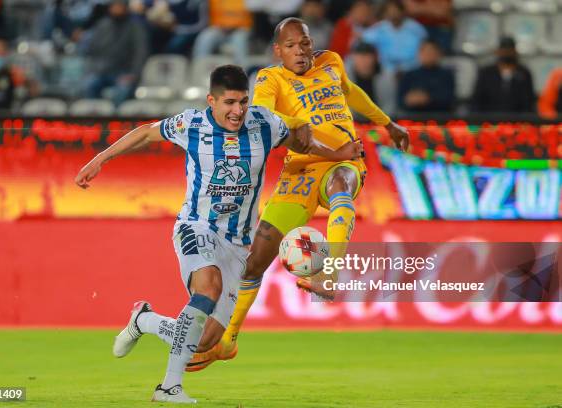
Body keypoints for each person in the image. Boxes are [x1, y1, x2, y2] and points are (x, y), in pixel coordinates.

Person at [74, 65, 362, 403]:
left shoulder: (264, 123)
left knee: (205, 341)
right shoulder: (191, 124)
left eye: (242, 102)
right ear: (211, 100)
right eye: (229, 103)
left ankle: (145, 320)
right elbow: (145, 133)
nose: (237, 111)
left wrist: (337, 154)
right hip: (196, 226)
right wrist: (101, 158)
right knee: (208, 286)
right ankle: (169, 387)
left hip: (240, 244)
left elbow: (301, 140)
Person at [187, 17, 409, 372]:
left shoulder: (332, 62)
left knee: (342, 190)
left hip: (345, 159)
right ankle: (227, 340)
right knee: (254, 262)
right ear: (279, 51)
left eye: (304, 43)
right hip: (300, 170)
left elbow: (350, 91)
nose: (301, 51)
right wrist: (295, 124)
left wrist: (386, 122)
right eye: (291, 46)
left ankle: (329, 273)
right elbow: (262, 114)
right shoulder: (272, 79)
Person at [81, 0, 148, 106]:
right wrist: (93, 70)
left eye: (119, 6)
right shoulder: (103, 25)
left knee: (122, 90)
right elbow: (92, 50)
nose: (116, 9)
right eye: (114, 6)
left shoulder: (135, 27)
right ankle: (93, 121)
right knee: (89, 86)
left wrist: (134, 74)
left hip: (124, 72)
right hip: (101, 71)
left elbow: (141, 53)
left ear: (126, 8)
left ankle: (116, 121)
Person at [471, 37, 535, 113]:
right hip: (489, 119)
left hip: (517, 120)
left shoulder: (524, 73)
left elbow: (528, 103)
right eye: (504, 49)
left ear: (515, 51)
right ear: (498, 51)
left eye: (509, 49)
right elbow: (477, 100)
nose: (507, 52)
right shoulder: (486, 72)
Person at [362, 0, 427, 73]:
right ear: (385, 13)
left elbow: (424, 48)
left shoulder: (415, 28)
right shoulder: (380, 28)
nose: (393, 14)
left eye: (395, 10)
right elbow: (364, 40)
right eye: (389, 11)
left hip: (412, 68)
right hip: (386, 70)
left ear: (402, 11)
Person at [398, 39, 454, 112]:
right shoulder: (409, 75)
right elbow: (400, 100)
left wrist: (428, 98)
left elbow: (449, 100)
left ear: (439, 54)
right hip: (412, 117)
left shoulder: (446, 75)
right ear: (419, 54)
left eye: (431, 52)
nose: (428, 55)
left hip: (439, 117)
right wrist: (409, 99)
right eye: (425, 52)